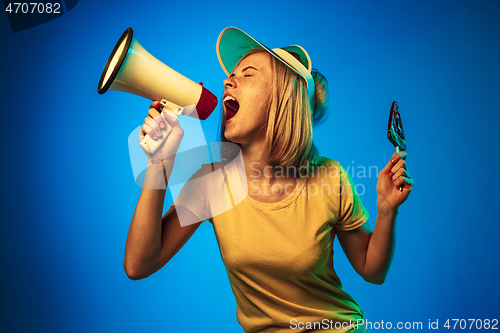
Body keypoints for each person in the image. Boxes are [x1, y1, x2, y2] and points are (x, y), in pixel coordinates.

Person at [124, 27, 414, 333]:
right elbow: (138, 264)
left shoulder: (330, 177)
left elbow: (372, 270)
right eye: (230, 76)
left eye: (247, 74)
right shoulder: (212, 182)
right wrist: (158, 164)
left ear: (283, 100)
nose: (227, 82)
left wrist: (386, 209)